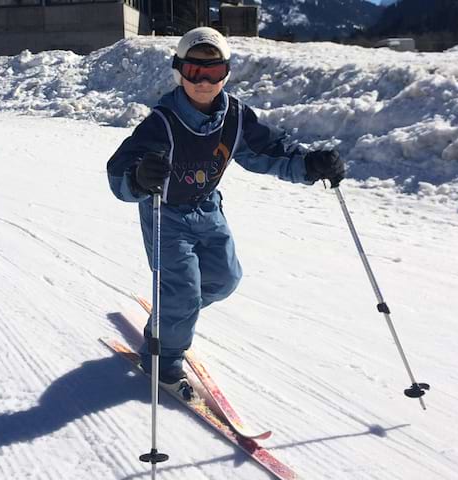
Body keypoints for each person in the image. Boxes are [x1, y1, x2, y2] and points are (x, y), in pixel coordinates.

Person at [107, 27, 345, 389]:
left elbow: (269, 150)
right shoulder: (162, 123)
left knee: (224, 279)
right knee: (184, 291)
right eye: (194, 72)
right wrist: (139, 177)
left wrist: (309, 164)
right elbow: (119, 171)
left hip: (208, 210)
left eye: (213, 72)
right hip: (166, 214)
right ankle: (164, 360)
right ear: (179, 71)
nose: (203, 82)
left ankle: (171, 315)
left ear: (226, 74)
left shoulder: (234, 117)